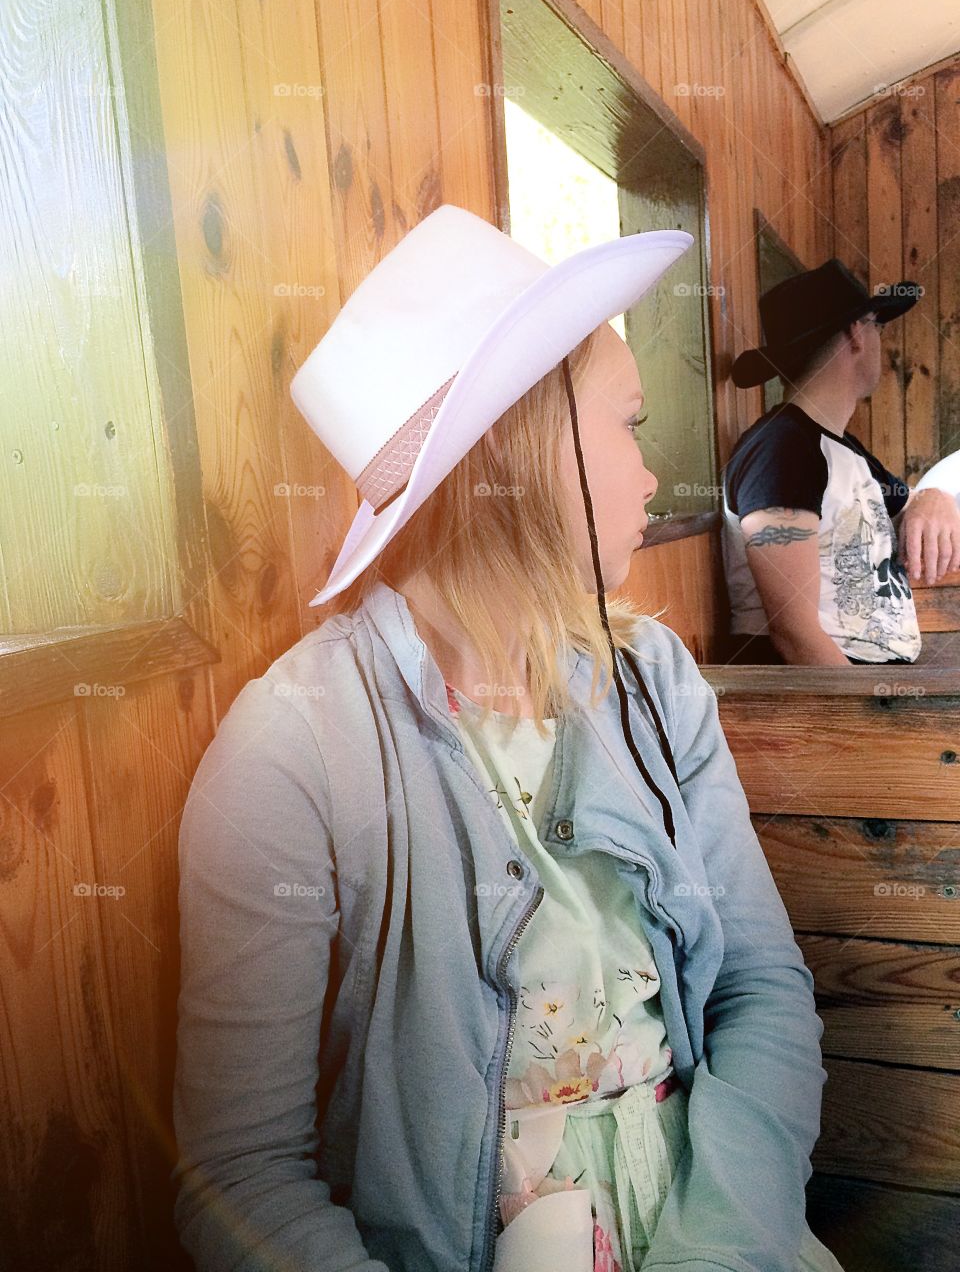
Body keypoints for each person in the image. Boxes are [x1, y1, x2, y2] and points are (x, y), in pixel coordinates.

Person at [170, 204, 845, 1272]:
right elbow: (240, 1171)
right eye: (626, 423)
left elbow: (761, 990)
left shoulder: (657, 683)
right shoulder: (291, 752)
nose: (652, 473)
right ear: (518, 445)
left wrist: (722, 1247)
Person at [721, 259, 960, 665]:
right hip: (825, 707)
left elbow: (912, 504)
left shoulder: (846, 453)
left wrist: (933, 496)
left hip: (873, 692)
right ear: (856, 333)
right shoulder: (783, 450)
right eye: (878, 327)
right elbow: (794, 635)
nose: (880, 342)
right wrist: (870, 717)